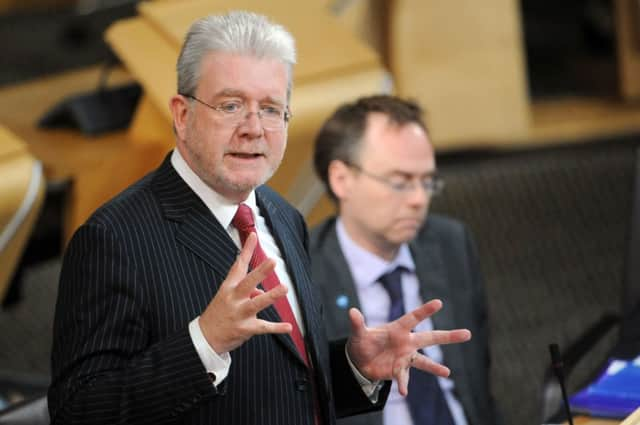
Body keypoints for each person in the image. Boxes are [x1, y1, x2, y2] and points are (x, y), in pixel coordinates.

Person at [47, 12, 471, 425]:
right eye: (231, 105)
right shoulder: (112, 239)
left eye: (270, 108)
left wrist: (354, 366)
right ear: (181, 114)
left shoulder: (283, 215)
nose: (254, 128)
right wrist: (204, 343)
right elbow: (78, 409)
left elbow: (287, 389)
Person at [310, 95, 501, 425]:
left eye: (427, 182)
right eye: (400, 182)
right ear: (341, 179)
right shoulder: (302, 271)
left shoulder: (450, 244)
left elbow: (479, 388)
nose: (418, 199)